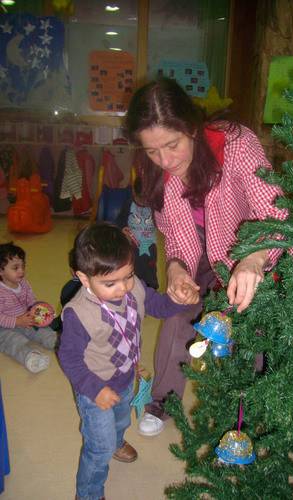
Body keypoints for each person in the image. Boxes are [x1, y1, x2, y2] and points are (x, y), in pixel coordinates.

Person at [125, 77, 293, 436]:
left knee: (248, 326)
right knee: (177, 314)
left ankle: (242, 415)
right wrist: (175, 270)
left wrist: (254, 258)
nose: (165, 160)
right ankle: (164, 400)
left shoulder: (236, 144)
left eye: (172, 145)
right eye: (152, 151)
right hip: (196, 250)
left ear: (192, 128)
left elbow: (277, 212)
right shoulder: (155, 165)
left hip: (247, 245)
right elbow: (173, 232)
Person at [57, 222, 199, 500]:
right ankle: (88, 492)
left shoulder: (134, 290)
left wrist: (179, 301)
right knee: (99, 446)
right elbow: (69, 357)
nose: (123, 288)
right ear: (84, 279)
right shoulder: (78, 315)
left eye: (129, 276)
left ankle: (117, 441)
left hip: (125, 377)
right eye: (110, 283)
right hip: (94, 388)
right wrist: (94, 389)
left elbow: (157, 306)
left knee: (121, 421)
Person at [0, 242, 57, 372]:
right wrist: (17, 321)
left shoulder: (24, 283)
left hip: (27, 321)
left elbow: (31, 299)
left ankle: (62, 345)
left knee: (44, 332)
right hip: (4, 328)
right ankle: (30, 356)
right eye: (15, 268)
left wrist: (37, 310)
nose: (21, 271)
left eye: (23, 266)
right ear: (1, 271)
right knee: (15, 341)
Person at [117, 176, 159, 289]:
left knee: (149, 268)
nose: (144, 203)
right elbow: (120, 219)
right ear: (134, 192)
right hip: (131, 245)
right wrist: (123, 227)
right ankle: (134, 288)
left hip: (149, 245)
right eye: (141, 199)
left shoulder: (154, 206)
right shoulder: (128, 205)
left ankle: (151, 287)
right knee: (133, 267)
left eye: (147, 199)